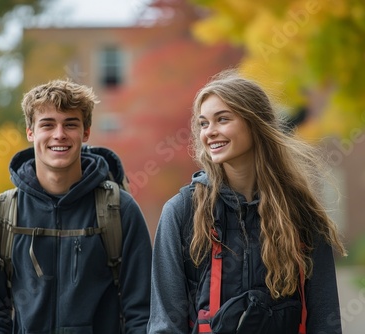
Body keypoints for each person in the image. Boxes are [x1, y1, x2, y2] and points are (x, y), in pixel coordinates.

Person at [147, 70, 347, 333]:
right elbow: (165, 324)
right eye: (203, 123)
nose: (210, 133)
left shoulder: (301, 214)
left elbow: (324, 320)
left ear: (255, 123)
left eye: (222, 119)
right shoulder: (182, 212)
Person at [0, 79, 152, 333]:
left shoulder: (120, 210)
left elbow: (142, 312)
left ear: (86, 132)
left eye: (70, 124)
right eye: (47, 124)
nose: (59, 134)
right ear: (30, 131)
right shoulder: (0, 217)